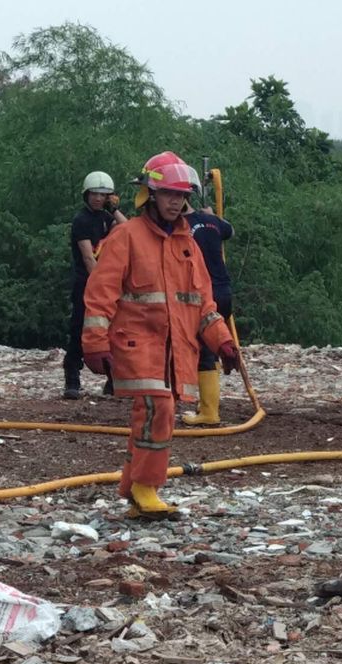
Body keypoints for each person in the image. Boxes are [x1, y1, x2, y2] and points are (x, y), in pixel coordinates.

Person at [82, 153, 239, 518]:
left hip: (174, 349)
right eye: (167, 193)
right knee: (159, 409)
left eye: (180, 194)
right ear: (150, 195)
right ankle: (146, 487)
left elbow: (202, 304)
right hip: (136, 344)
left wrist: (222, 341)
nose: (174, 201)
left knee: (149, 415)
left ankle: (135, 492)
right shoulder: (126, 236)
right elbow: (100, 293)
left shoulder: (187, 245)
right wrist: (94, 343)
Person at [180, 165, 236, 426]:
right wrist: (212, 216)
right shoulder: (212, 222)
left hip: (205, 294)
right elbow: (230, 231)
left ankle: (209, 412)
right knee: (212, 350)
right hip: (225, 291)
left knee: (204, 352)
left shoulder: (181, 228)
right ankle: (208, 407)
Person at [63, 171, 126, 399]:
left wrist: (114, 210)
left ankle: (113, 380)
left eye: (104, 195)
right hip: (86, 284)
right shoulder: (81, 220)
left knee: (112, 332)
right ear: (87, 194)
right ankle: (72, 380)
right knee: (80, 330)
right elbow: (89, 257)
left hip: (106, 286)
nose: (99, 198)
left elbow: (130, 231)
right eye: (95, 194)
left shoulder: (106, 218)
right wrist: (99, 286)